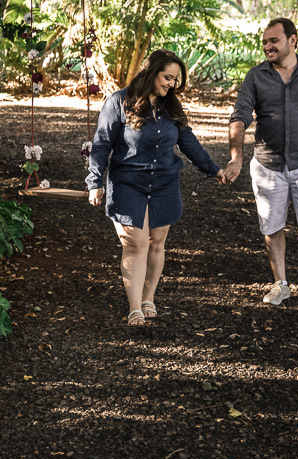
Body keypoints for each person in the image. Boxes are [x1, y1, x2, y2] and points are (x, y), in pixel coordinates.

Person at [86, 49, 225, 326]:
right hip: (128, 183)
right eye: (167, 77)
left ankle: (149, 297)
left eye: (175, 80)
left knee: (156, 243)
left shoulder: (171, 106)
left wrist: (214, 169)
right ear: (151, 72)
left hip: (164, 183)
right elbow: (101, 144)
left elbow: (188, 142)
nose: (171, 84)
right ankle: (134, 307)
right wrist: (95, 181)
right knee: (135, 244)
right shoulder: (119, 101)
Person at [223, 17, 298, 305]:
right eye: (264, 42)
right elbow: (239, 117)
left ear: (292, 40)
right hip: (267, 165)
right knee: (271, 226)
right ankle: (280, 283)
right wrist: (236, 159)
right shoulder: (255, 76)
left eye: (273, 41)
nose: (267, 46)